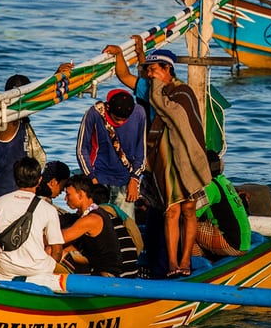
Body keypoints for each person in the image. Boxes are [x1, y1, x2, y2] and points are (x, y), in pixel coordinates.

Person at [139, 48, 211, 277]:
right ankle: (172, 264)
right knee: (172, 212)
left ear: (167, 68)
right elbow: (129, 77)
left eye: (154, 69)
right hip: (164, 161)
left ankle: (185, 260)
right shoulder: (152, 92)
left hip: (187, 160)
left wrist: (158, 89)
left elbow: (184, 122)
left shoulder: (184, 93)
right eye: (148, 70)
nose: (151, 74)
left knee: (189, 210)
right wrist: (136, 53)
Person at [75, 88, 146, 221]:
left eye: (124, 120)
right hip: (98, 179)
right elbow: (81, 149)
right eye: (117, 119)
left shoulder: (139, 113)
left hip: (125, 181)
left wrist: (134, 179)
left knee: (127, 228)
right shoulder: (94, 114)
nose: (120, 123)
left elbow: (141, 151)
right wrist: (92, 179)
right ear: (108, 108)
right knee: (95, 225)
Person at [0, 157, 65, 278]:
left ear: (15, 179)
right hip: (38, 270)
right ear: (39, 180)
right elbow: (57, 250)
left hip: (5, 268)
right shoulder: (48, 209)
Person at [60, 175, 137, 277]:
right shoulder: (98, 212)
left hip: (111, 275)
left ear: (81, 195)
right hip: (112, 268)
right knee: (67, 249)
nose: (65, 199)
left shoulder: (91, 219)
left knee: (57, 252)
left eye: (68, 194)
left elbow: (59, 238)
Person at [0, 74, 47, 199]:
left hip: (23, 192)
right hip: (10, 193)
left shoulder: (21, 121)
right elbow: (40, 100)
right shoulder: (8, 122)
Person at [193, 152, 251, 259]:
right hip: (243, 243)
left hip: (232, 245)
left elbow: (191, 215)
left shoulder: (210, 186)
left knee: (185, 225)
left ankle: (194, 261)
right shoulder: (224, 181)